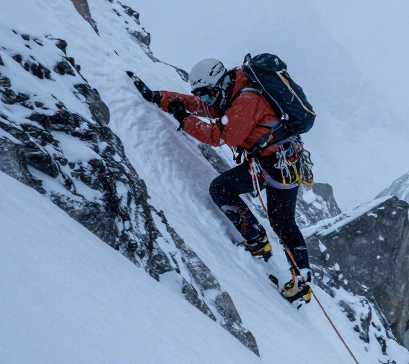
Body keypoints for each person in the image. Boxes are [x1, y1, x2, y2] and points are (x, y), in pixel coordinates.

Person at [129, 59, 312, 303]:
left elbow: (220, 136)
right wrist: (159, 97)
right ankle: (300, 279)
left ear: (216, 87)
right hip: (285, 162)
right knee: (283, 222)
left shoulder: (245, 101)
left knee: (222, 189)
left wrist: (184, 119)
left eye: (207, 94)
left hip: (274, 166)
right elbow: (201, 106)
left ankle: (257, 241)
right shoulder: (232, 89)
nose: (205, 100)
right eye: (204, 95)